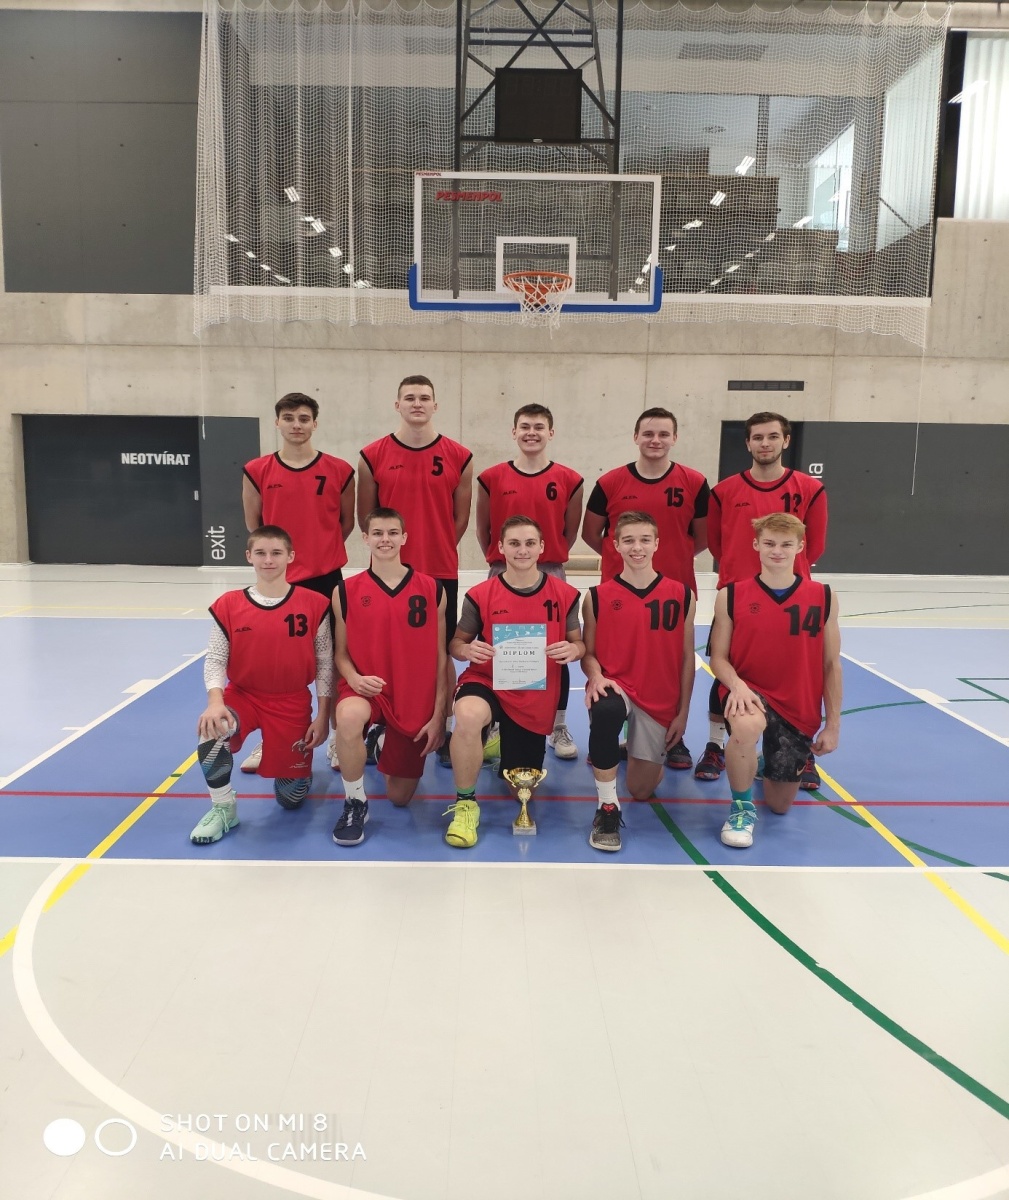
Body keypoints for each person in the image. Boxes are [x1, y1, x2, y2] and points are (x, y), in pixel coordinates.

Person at [699, 411, 828, 788]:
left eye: (773, 436)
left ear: (786, 441)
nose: (765, 443)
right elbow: (717, 545)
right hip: (738, 600)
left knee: (801, 676)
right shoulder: (724, 491)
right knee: (725, 670)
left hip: (792, 600)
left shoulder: (810, 489)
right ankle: (715, 744)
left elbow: (815, 546)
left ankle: (800, 750)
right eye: (757, 437)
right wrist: (742, 584)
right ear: (748, 443)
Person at [444, 516, 584, 849]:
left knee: (520, 788)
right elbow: (456, 643)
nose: (522, 550)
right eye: (515, 543)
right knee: (467, 716)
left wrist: (573, 650)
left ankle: (495, 744)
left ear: (542, 547)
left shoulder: (565, 594)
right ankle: (465, 804)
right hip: (487, 681)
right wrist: (467, 649)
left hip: (533, 693)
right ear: (501, 547)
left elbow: (579, 644)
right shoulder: (480, 594)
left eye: (530, 543)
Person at [580, 406, 708, 771]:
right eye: (648, 433)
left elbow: (702, 537)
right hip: (619, 594)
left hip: (673, 591)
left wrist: (667, 563)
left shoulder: (694, 482)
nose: (656, 440)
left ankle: (673, 737)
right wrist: (626, 562)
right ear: (636, 437)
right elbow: (591, 533)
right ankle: (609, 734)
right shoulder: (610, 482)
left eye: (664, 434)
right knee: (614, 663)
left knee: (670, 663)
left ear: (675, 438)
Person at [190, 526, 332, 845]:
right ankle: (223, 808)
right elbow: (216, 659)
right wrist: (215, 701)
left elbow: (325, 664)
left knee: (290, 799)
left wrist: (323, 716)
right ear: (249, 556)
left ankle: (292, 765)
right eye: (261, 553)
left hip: (291, 703)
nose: (268, 560)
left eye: (276, 553)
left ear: (290, 556)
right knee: (211, 729)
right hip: (244, 696)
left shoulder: (315, 604)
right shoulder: (228, 604)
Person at [358, 375, 472, 766]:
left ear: (435, 405)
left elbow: (460, 519)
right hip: (387, 575)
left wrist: (434, 546)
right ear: (398, 405)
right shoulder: (372, 454)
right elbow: (367, 517)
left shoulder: (460, 455)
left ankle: (442, 724)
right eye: (410, 397)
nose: (417, 403)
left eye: (425, 397)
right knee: (384, 651)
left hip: (439, 570)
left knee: (440, 653)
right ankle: (381, 725)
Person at [708, 512, 841, 850]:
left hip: (797, 702)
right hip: (749, 690)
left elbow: (831, 664)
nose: (777, 551)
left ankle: (763, 760)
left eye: (785, 544)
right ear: (756, 545)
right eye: (769, 543)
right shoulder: (731, 595)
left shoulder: (823, 596)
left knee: (780, 805)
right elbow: (718, 658)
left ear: (800, 547)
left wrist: (833, 725)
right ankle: (741, 809)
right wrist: (737, 685)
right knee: (746, 726)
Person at [240, 392, 354, 775]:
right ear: (277, 423)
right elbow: (255, 526)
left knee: (332, 661)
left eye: (304, 418)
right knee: (276, 664)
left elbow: (345, 524)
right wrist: (279, 562)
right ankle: (270, 739)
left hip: (326, 580)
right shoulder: (256, 470)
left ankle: (337, 739)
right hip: (278, 581)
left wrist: (318, 552)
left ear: (315, 424)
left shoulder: (339, 470)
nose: (296, 424)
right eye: (288, 418)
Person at [331, 508, 448, 846]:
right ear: (365, 538)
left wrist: (439, 715)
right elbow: (340, 654)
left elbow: (441, 658)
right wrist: (354, 679)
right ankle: (355, 802)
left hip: (413, 696)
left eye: (393, 533)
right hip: (366, 689)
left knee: (400, 797)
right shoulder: (344, 590)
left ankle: (381, 741)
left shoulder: (432, 588)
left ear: (404, 538)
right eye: (378, 533)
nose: (386, 539)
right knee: (349, 717)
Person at [580, 512, 696, 852]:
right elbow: (588, 654)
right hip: (617, 687)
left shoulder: (682, 594)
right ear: (615, 545)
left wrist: (683, 713)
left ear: (657, 544)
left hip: (659, 697)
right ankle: (607, 807)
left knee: (641, 790)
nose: (637, 547)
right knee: (606, 711)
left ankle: (637, 748)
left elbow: (687, 659)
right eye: (628, 540)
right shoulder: (597, 596)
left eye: (645, 540)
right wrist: (596, 676)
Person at [476, 403, 583, 761]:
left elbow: (569, 532)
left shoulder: (569, 479)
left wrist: (543, 557)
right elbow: (483, 529)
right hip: (502, 568)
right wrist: (505, 559)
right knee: (499, 648)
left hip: (550, 570)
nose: (531, 433)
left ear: (550, 433)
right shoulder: (491, 477)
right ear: (514, 431)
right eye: (525, 426)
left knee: (556, 652)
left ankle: (557, 725)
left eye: (539, 427)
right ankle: (498, 721)